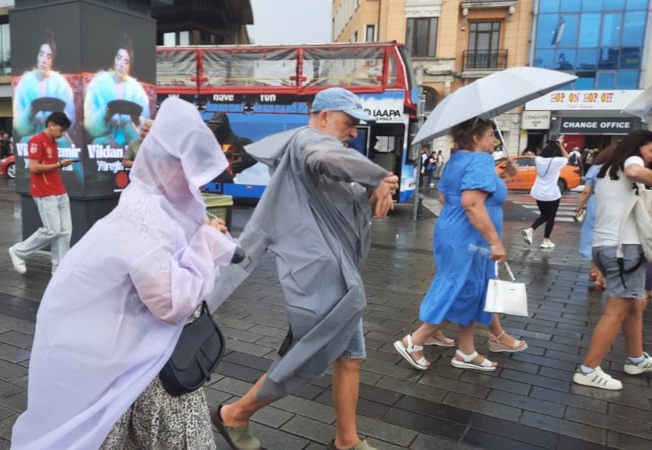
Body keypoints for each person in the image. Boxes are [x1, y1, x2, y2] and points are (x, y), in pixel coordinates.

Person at [10, 98, 237, 449]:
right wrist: (206, 243)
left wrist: (205, 235)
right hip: (144, 368)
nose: (195, 182)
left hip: (140, 356)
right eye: (188, 169)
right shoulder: (144, 216)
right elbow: (170, 303)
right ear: (165, 166)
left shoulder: (160, 205)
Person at [206, 87, 399, 450]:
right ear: (324, 117)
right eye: (349, 122)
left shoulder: (309, 152)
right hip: (322, 281)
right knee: (308, 357)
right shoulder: (309, 142)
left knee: (347, 357)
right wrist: (376, 177)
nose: (354, 131)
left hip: (333, 278)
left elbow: (337, 198)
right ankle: (235, 414)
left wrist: (372, 188)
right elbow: (327, 157)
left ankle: (346, 439)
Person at [393, 118, 525, 375]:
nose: (494, 140)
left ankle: (466, 350)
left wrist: (505, 177)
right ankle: (415, 340)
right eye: (490, 135)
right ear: (476, 138)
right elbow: (472, 203)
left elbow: (445, 197)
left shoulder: (457, 159)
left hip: (454, 231)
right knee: (465, 289)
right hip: (470, 237)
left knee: (472, 287)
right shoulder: (481, 161)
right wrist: (495, 242)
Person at [573, 130, 652, 390]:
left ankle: (636, 358)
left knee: (634, 304)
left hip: (606, 246)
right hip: (624, 248)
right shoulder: (632, 162)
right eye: (651, 149)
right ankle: (588, 369)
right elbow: (634, 171)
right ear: (638, 147)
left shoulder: (606, 170)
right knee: (615, 311)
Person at [8, 112, 75, 275]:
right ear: (51, 125)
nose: (63, 133)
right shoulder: (36, 141)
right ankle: (19, 251)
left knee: (65, 231)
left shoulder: (53, 142)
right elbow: (34, 167)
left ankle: (59, 269)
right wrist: (59, 164)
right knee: (52, 230)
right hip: (44, 191)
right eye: (62, 129)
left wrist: (59, 165)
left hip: (59, 189)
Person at [84, 37, 150, 148]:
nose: (121, 64)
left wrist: (136, 121)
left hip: (129, 143)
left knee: (131, 132)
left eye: (126, 62)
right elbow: (90, 124)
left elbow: (145, 125)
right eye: (119, 58)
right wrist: (105, 113)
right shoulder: (98, 84)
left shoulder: (137, 91)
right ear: (114, 59)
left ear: (129, 66)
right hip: (103, 141)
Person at [13, 33, 76, 147]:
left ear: (53, 60)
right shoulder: (24, 84)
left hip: (57, 140)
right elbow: (19, 126)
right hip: (31, 138)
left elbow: (70, 122)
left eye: (48, 56)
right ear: (36, 56)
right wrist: (30, 112)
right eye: (41, 54)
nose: (44, 60)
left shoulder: (61, 85)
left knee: (67, 146)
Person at [574, 145, 616, 291]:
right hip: (614, 206)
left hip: (595, 204)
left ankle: (594, 271)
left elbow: (586, 191)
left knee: (592, 237)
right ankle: (601, 275)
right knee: (608, 238)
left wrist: (578, 208)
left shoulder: (596, 168)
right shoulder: (621, 169)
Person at [521, 139, 569, 249]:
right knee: (550, 217)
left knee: (544, 215)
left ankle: (531, 229)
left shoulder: (538, 160)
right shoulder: (557, 161)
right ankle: (545, 240)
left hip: (538, 192)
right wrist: (561, 146)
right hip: (552, 193)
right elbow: (567, 157)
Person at [207, 112, 256, 183]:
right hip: (206, 182)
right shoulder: (208, 143)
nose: (214, 129)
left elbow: (253, 152)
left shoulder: (239, 142)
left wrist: (234, 166)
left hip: (228, 182)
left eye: (216, 125)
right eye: (212, 125)